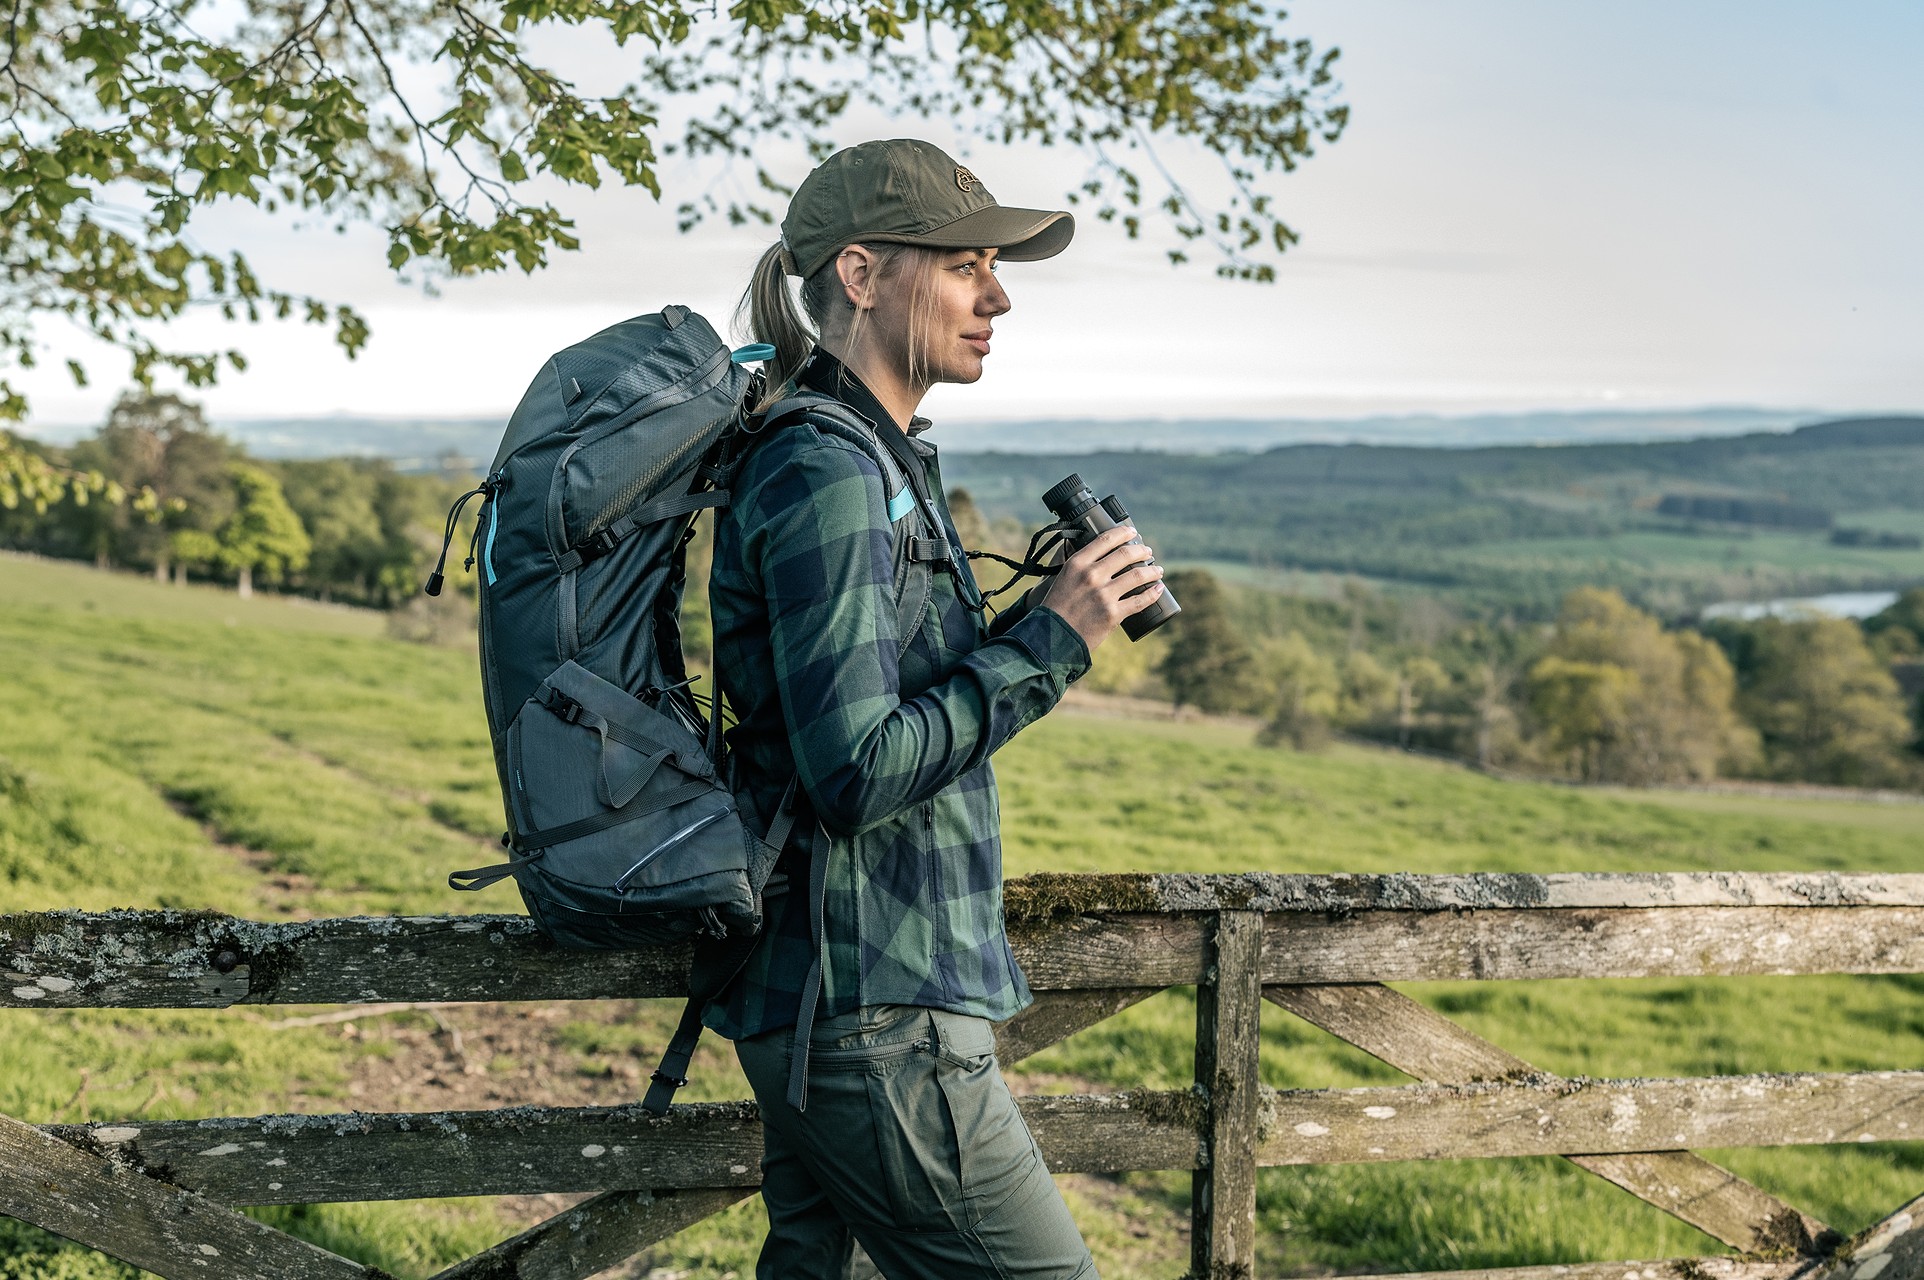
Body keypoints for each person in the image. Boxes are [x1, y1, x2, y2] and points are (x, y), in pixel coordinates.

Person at [705, 137, 1167, 1280]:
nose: (998, 295)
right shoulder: (826, 469)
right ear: (861, 276)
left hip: (855, 1003)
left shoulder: (878, 456)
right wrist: (1053, 638)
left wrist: (1042, 627)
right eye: (965, 266)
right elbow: (854, 767)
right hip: (873, 1014)